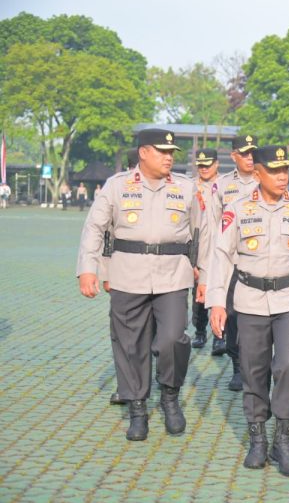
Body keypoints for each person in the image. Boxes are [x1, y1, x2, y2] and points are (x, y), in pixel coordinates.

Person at [206, 145, 289, 477]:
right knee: (254, 370)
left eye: (286, 170)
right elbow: (221, 256)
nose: (283, 176)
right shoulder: (237, 209)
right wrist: (217, 302)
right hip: (249, 300)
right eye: (275, 170)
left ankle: (283, 441)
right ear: (259, 172)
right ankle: (258, 440)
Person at [76, 128, 208, 441]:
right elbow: (96, 228)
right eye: (162, 151)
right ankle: (137, 409)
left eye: (172, 152)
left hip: (172, 275)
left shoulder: (186, 188)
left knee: (173, 339)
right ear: (143, 152)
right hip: (128, 274)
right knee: (130, 344)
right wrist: (88, 269)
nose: (169, 157)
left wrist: (205, 275)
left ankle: (170, 397)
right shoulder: (117, 185)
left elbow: (203, 233)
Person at [207, 134, 258, 391]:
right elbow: (213, 229)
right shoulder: (222, 185)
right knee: (233, 317)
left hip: (259, 264)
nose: (250, 157)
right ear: (234, 155)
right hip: (232, 263)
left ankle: (254, 366)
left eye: (253, 153)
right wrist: (206, 270)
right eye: (245, 153)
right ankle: (238, 366)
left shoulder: (267, 180)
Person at [107, 147, 140, 406]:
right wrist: (104, 271)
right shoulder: (117, 188)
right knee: (123, 334)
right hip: (124, 272)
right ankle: (126, 387)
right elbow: (106, 235)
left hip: (159, 275)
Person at [190, 148, 219, 349]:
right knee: (198, 293)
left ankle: (220, 335)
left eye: (208, 164)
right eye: (200, 165)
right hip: (199, 246)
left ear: (216, 164)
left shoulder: (226, 186)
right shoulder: (190, 187)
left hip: (220, 245)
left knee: (222, 293)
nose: (204, 168)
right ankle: (200, 331)